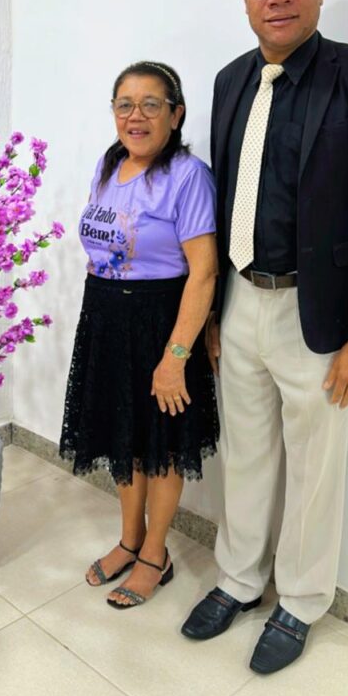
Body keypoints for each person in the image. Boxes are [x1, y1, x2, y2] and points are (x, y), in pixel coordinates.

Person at [181, 0, 348, 672]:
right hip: (240, 301)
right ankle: (239, 579)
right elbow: (221, 200)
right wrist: (211, 313)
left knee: (315, 469)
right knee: (245, 455)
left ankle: (303, 600)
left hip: (320, 314)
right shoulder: (230, 80)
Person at [60, 61, 219, 608]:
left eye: (151, 104)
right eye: (124, 104)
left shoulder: (188, 176)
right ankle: (129, 540)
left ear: (175, 114)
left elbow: (204, 272)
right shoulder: (109, 166)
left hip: (161, 321)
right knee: (123, 438)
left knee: (162, 445)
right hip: (106, 317)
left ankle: (155, 553)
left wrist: (175, 357)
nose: (136, 116)